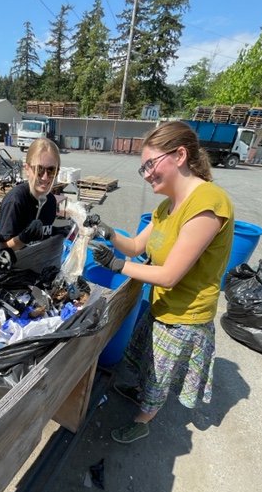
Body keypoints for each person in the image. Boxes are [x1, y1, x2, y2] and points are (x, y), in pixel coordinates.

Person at [92, 120, 234, 444]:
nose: (146, 174)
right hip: (161, 306)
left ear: (180, 155)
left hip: (185, 315)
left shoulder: (208, 203)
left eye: (150, 164)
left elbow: (169, 274)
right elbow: (137, 247)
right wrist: (107, 230)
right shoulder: (166, 208)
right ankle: (143, 393)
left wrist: (118, 265)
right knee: (148, 361)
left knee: (161, 373)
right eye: (142, 168)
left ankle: (144, 419)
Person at [0, 137, 66, 251]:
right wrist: (23, 238)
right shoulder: (15, 201)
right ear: (27, 169)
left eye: (51, 170)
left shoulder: (50, 201)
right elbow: (1, 249)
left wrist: (57, 231)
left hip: (38, 261)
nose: (45, 177)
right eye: (39, 169)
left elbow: (44, 233)